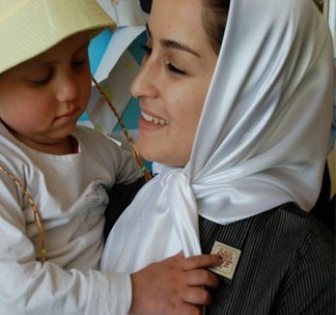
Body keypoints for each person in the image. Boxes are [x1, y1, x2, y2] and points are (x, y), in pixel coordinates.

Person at [0, 0, 222, 314]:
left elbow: (151, 186)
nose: (69, 90)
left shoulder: (99, 150)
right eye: (41, 78)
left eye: (78, 62)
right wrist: (135, 292)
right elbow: (15, 296)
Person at [102, 0, 335, 314]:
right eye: (147, 48)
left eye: (175, 66)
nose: (138, 84)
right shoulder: (113, 203)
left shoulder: (307, 268)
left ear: (253, 90)